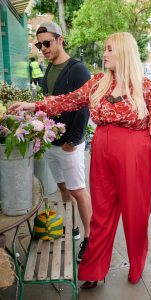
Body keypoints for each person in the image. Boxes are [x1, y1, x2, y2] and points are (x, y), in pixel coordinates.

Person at [10, 32, 151, 288]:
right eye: (105, 48)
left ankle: (136, 265)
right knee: (102, 213)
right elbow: (69, 100)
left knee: (136, 213)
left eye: (110, 49)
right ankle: (95, 269)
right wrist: (34, 106)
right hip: (102, 149)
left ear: (123, 52)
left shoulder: (146, 87)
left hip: (135, 153)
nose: (105, 53)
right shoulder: (98, 82)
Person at [34, 21, 92, 261]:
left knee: (78, 190)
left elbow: (84, 107)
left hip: (69, 144)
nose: (43, 48)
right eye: (39, 45)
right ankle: (73, 226)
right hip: (52, 142)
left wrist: (74, 139)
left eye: (47, 43)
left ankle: (90, 238)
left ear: (60, 40)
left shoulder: (78, 70)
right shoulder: (48, 69)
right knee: (63, 188)